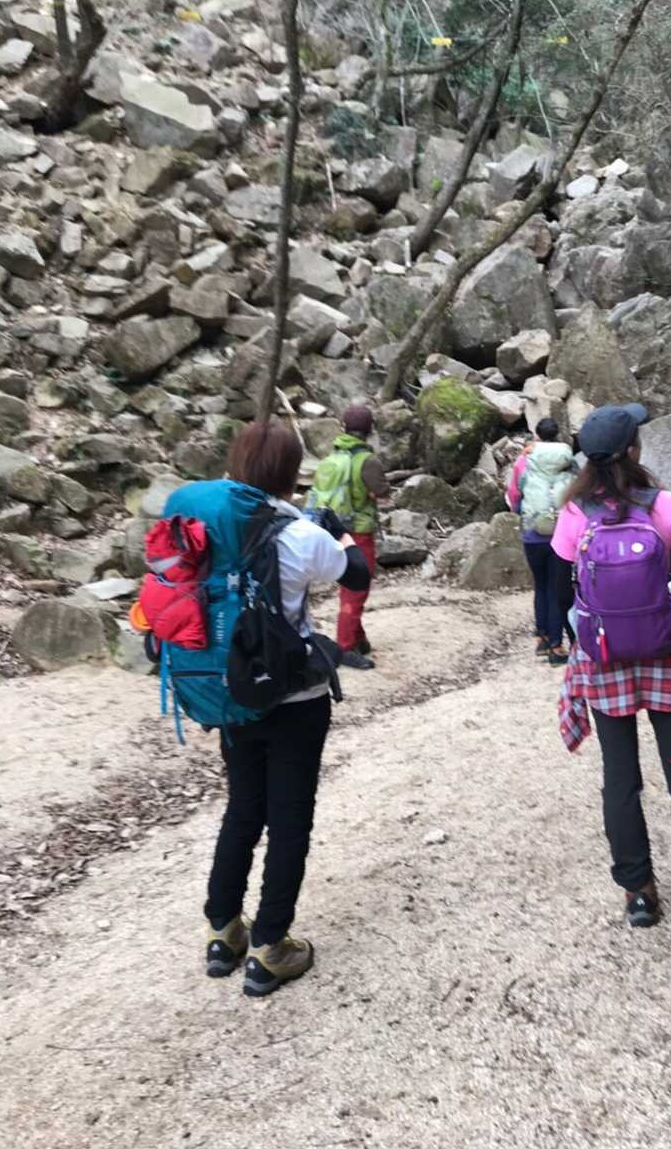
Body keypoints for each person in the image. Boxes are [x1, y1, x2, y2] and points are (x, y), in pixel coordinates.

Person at [205, 420, 371, 996]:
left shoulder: (208, 529)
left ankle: (223, 931)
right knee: (289, 818)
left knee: (242, 807)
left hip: (231, 691)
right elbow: (357, 574)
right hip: (294, 696)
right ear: (290, 473)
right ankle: (271, 946)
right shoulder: (299, 534)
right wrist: (340, 534)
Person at [551, 403, 671, 933]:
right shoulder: (665, 505)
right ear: (634, 449)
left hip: (604, 658)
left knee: (620, 777)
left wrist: (580, 652)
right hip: (666, 653)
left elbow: (563, 594)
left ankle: (638, 892)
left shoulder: (574, 511)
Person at [310, 403, 390, 670]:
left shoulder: (334, 456)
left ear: (344, 427)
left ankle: (358, 637)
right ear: (369, 430)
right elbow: (382, 491)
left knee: (349, 584)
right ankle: (345, 646)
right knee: (356, 588)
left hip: (334, 529)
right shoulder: (368, 461)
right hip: (359, 532)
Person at [505, 417, 575, 665]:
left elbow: (514, 493)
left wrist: (520, 512)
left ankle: (543, 638)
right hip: (561, 534)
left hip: (533, 532)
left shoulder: (525, 460)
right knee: (557, 587)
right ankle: (556, 646)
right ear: (557, 434)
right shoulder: (568, 460)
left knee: (541, 585)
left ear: (537, 435)